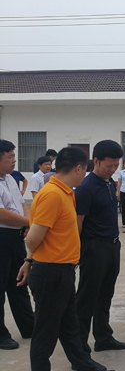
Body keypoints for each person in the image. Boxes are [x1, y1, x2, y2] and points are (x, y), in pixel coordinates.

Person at [24, 147, 112, 371]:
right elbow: (32, 238)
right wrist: (30, 259)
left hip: (62, 271)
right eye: (85, 170)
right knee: (46, 331)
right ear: (78, 168)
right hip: (50, 272)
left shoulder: (66, 192)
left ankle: (82, 363)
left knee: (70, 325)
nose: (85, 175)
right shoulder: (52, 195)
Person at [75, 140, 125, 353]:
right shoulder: (85, 188)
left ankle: (103, 337)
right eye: (109, 165)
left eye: (116, 165)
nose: (113, 169)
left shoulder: (109, 183)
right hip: (93, 248)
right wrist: (78, 254)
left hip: (112, 246)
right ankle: (79, 348)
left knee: (105, 295)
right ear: (96, 161)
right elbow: (77, 226)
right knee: (86, 299)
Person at [0, 140, 34, 350]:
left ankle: (29, 326)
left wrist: (28, 223)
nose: (14, 160)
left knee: (19, 282)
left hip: (15, 237)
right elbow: (2, 214)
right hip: (1, 237)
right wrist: (29, 222)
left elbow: (22, 204)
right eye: (10, 156)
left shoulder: (11, 179)